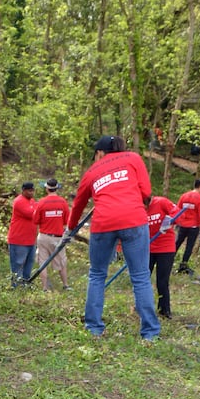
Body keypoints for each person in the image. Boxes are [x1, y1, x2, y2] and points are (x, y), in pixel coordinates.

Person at [68, 134, 160, 341]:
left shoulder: (91, 171)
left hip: (103, 223)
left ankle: (93, 328)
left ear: (100, 152)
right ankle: (150, 333)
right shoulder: (133, 158)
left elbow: (78, 204)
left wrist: (71, 228)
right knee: (140, 276)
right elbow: (146, 191)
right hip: (134, 220)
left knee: (97, 274)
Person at [32, 178, 70, 291]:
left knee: (42, 262)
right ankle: (65, 285)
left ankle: (45, 287)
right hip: (58, 237)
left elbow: (35, 220)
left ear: (47, 189)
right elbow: (67, 221)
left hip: (44, 236)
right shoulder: (63, 202)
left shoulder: (41, 202)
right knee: (62, 262)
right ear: (57, 188)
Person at [146, 195, 179, 319]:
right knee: (143, 279)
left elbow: (178, 213)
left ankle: (164, 310)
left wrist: (170, 220)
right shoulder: (137, 208)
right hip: (147, 248)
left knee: (162, 281)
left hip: (165, 248)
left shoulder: (161, 202)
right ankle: (143, 307)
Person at [7, 182, 37, 286]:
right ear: (23, 191)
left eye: (32, 190)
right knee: (18, 264)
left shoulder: (32, 201)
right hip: (19, 240)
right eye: (29, 191)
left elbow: (38, 213)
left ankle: (25, 284)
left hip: (31, 240)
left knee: (29, 264)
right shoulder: (19, 201)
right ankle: (16, 286)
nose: (31, 193)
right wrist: (37, 209)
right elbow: (32, 214)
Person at [174, 179, 200, 272]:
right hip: (193, 226)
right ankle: (183, 265)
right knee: (189, 246)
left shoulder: (184, 196)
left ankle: (168, 259)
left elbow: (177, 209)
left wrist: (176, 222)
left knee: (177, 243)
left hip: (182, 225)